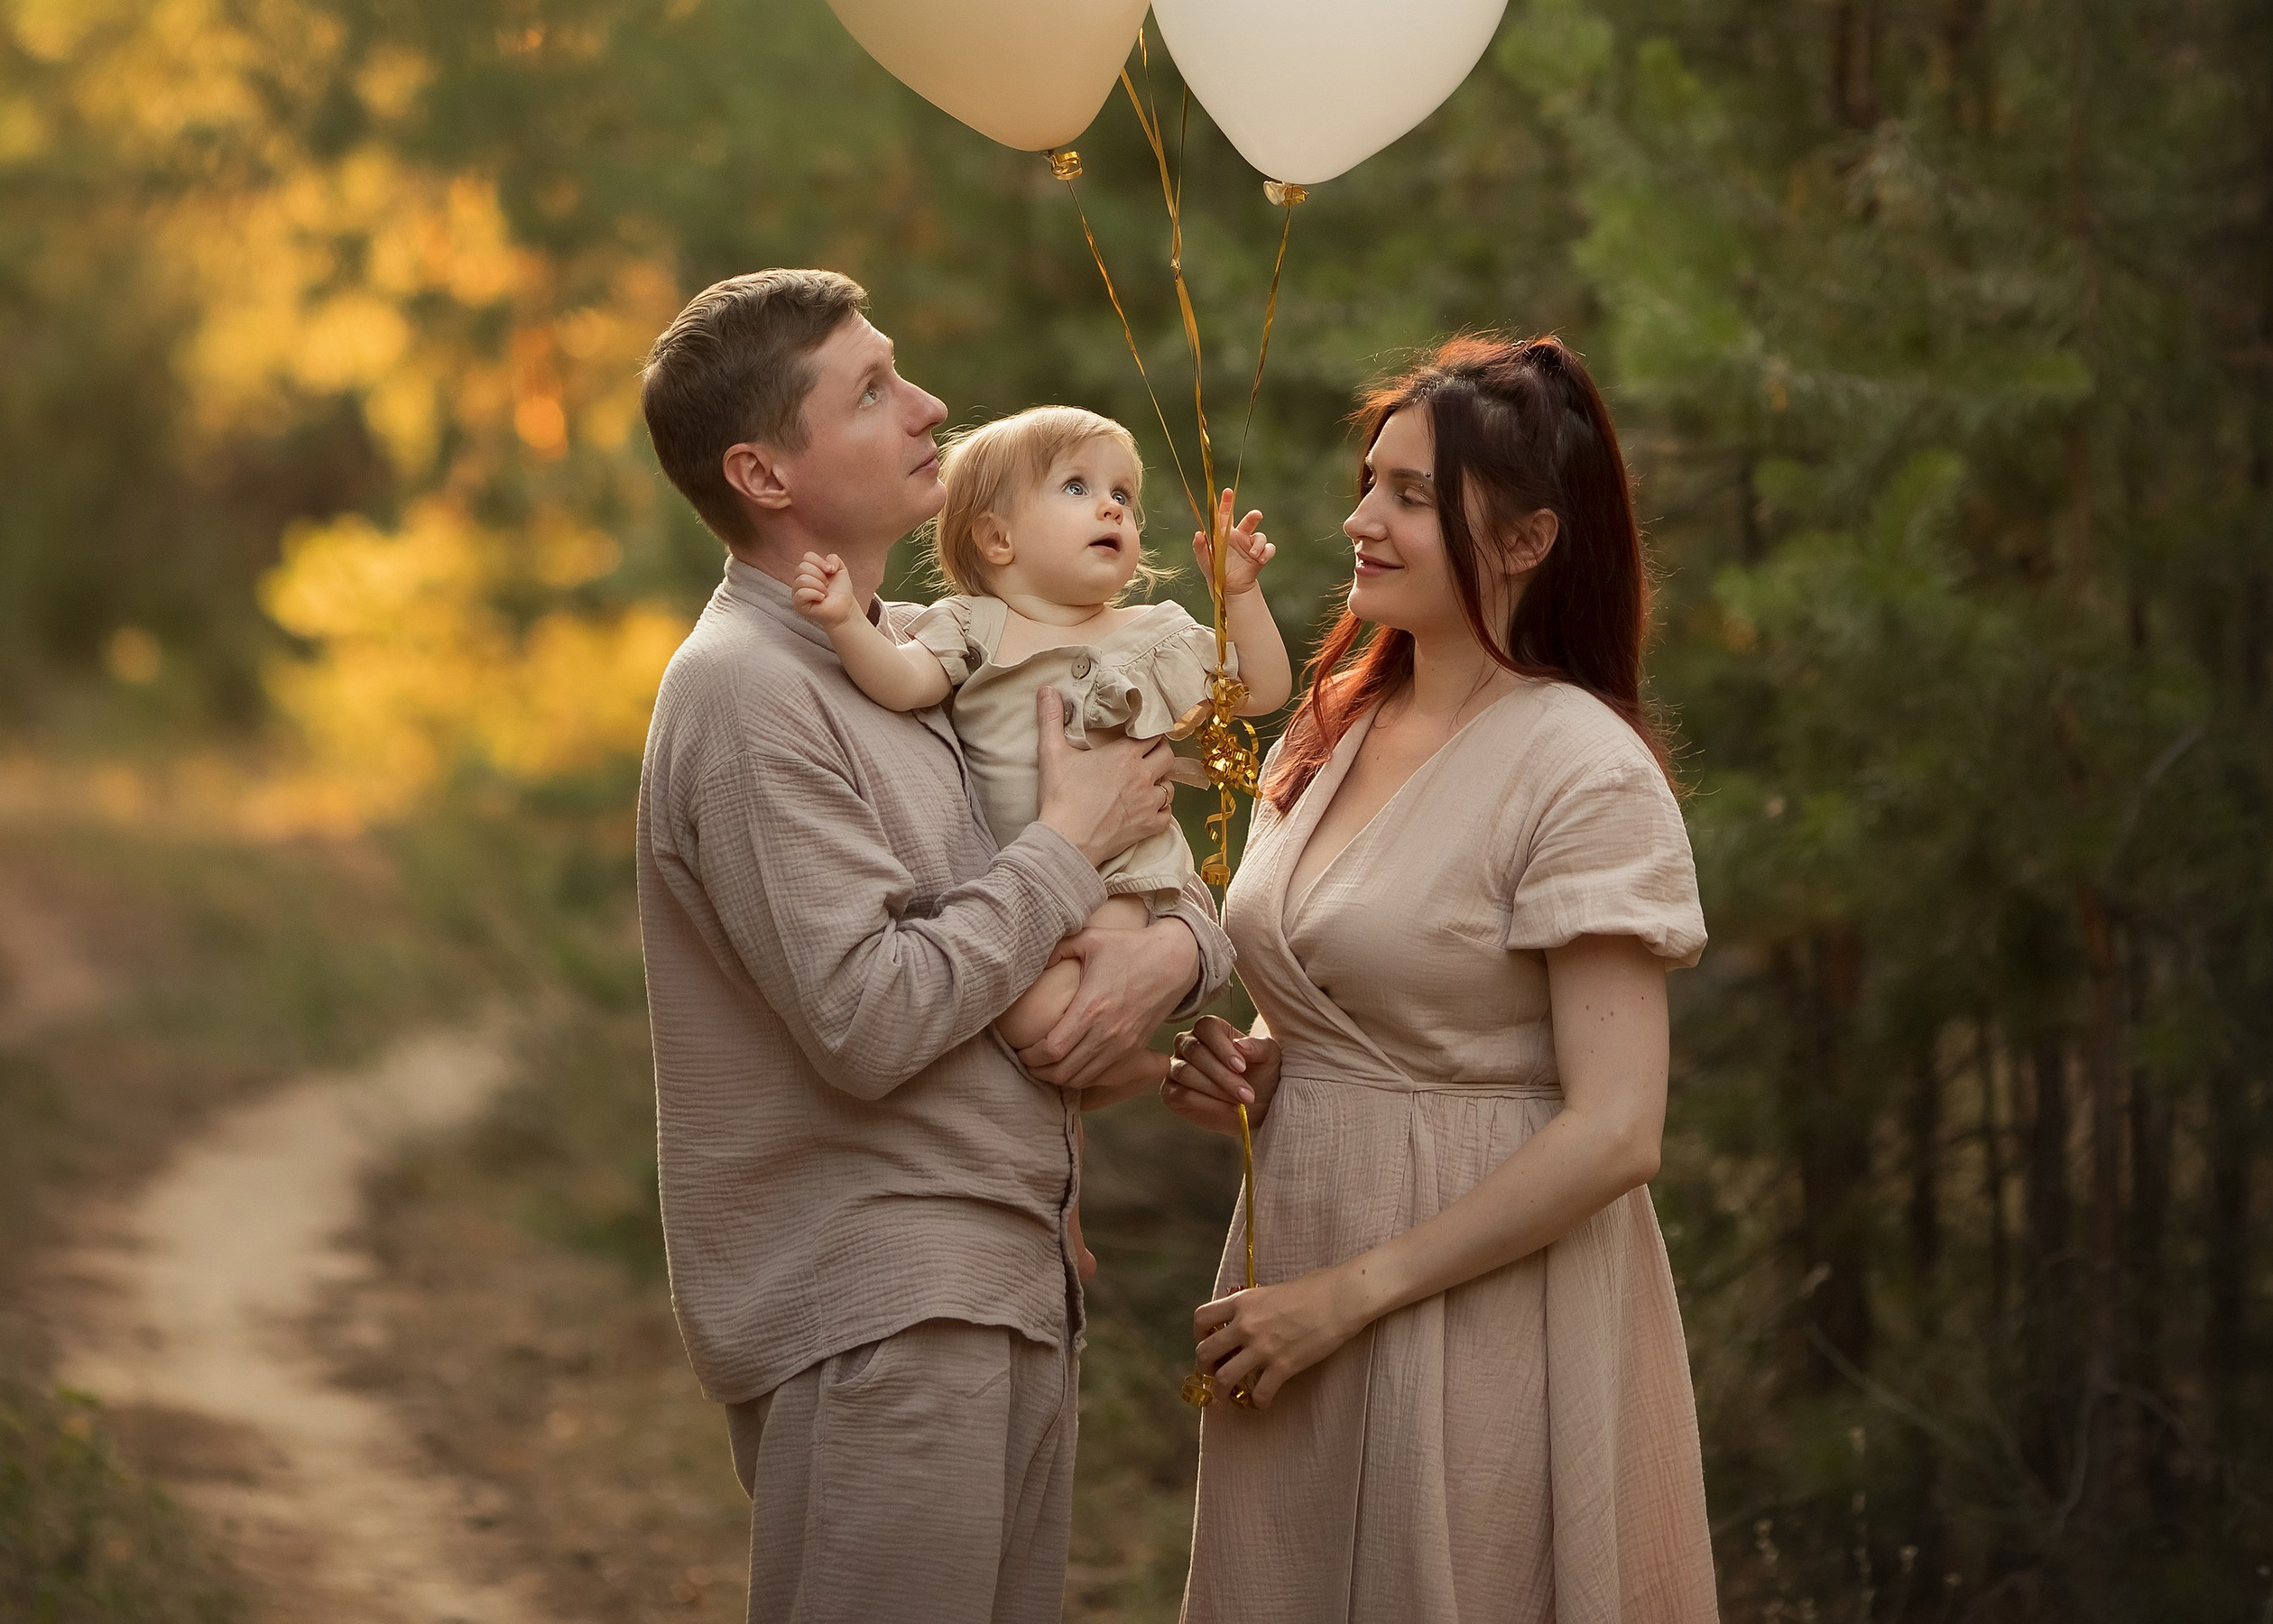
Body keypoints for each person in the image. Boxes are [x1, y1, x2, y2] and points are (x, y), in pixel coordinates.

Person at [634, 268, 1234, 1624]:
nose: (932, 406)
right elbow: (869, 1019)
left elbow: (1147, 848)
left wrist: (1171, 958)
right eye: (871, 390)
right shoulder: (745, 697)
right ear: (764, 474)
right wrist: (1063, 850)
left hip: (1011, 1278)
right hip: (883, 1310)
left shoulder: (933, 654)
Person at [1164, 331, 1719, 1624]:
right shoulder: (1331, 721)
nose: (1360, 519)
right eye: (1370, 482)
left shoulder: (1582, 770)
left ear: (1525, 542)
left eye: (1411, 495)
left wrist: (1348, 1298)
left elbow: (1618, 1130)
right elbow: (1357, 996)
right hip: (1294, 1256)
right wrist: (1259, 1062)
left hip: (1474, 1297)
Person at [792, 402, 1291, 1076]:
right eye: (1078, 488)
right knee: (1033, 1019)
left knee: (1041, 1018)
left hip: (1123, 881)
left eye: (1123, 495)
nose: (1113, 508)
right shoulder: (970, 626)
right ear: (998, 540)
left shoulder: (1150, 631)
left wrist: (1239, 598)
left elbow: (1259, 690)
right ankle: (1148, 1072)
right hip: (1010, 880)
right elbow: (902, 681)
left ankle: (1147, 1067)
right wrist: (846, 624)